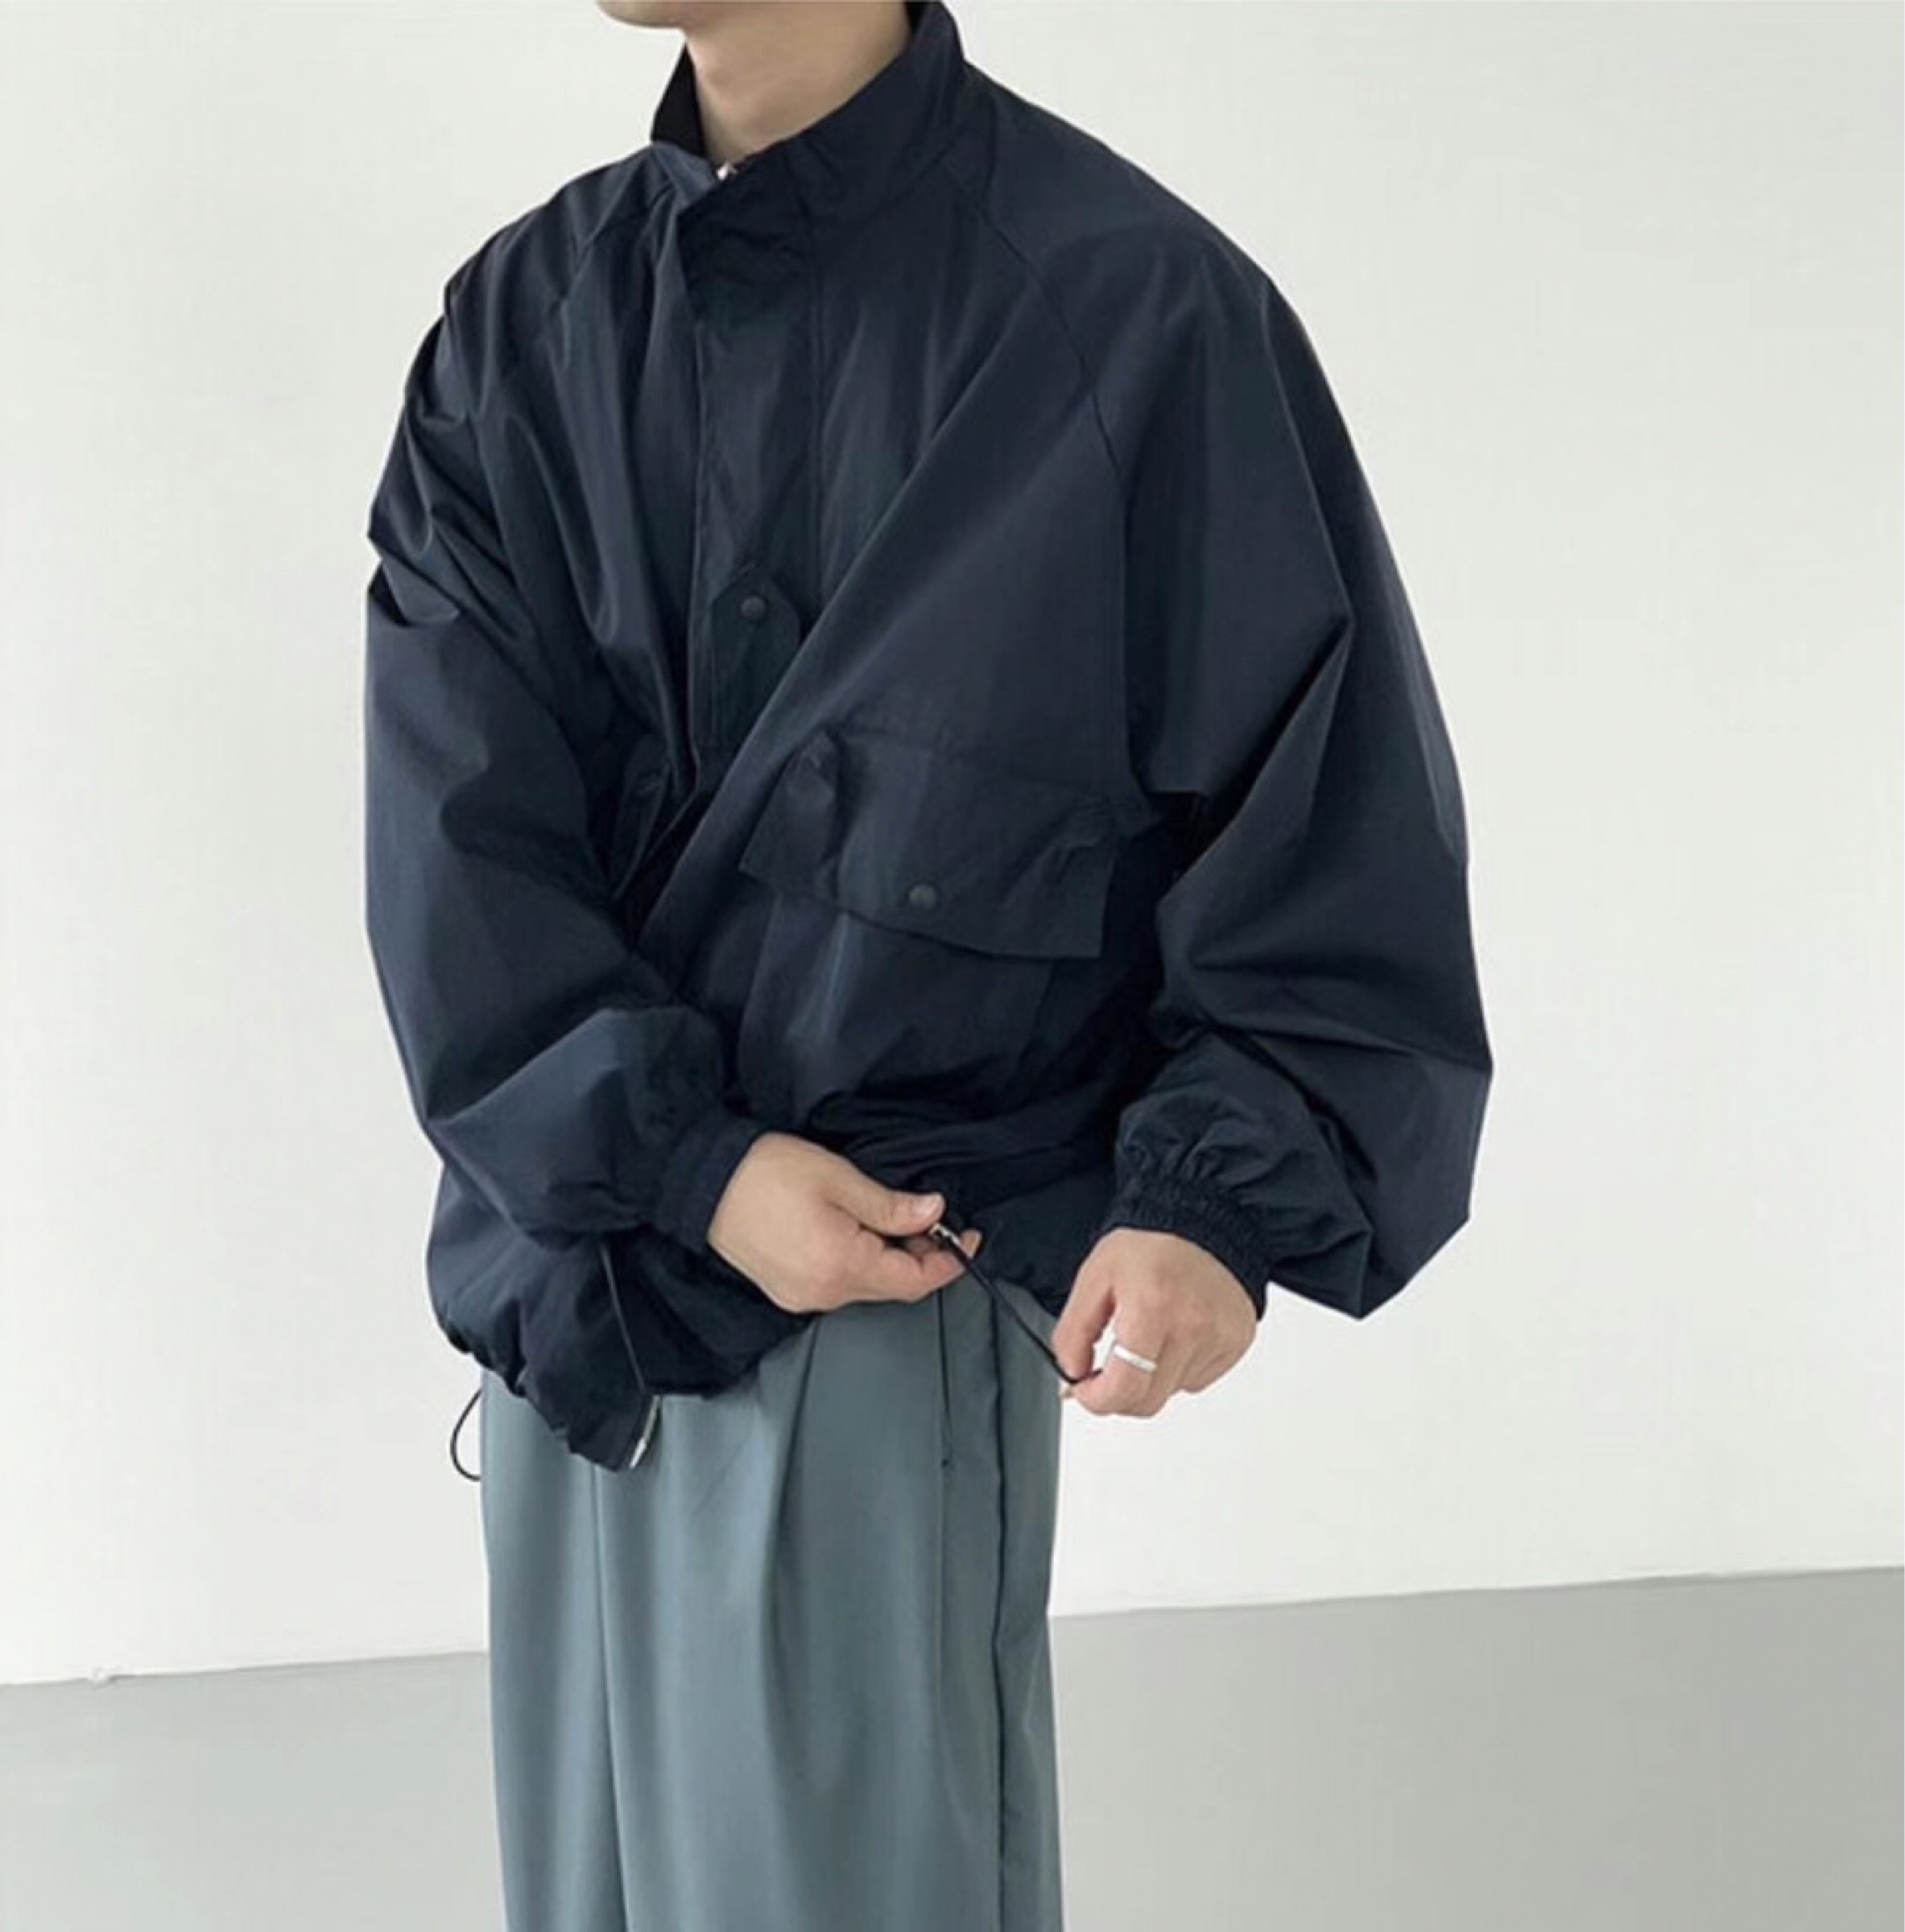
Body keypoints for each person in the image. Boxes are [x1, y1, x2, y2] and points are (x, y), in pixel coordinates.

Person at [360, 2, 1493, 1926]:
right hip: (570, 1299)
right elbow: (454, 836)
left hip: (890, 1302)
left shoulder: (1132, 315)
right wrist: (683, 1163)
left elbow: (1321, 812)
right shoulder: (527, 323)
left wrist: (1213, 1200)